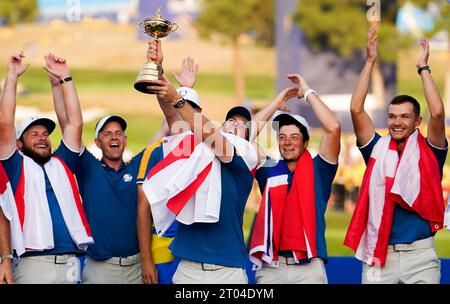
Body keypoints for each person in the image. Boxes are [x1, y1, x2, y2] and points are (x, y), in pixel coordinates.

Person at [344, 26, 447, 284]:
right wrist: (369, 61)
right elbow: (356, 109)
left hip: (420, 256)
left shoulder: (430, 150)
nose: (396, 122)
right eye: (391, 116)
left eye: (404, 117)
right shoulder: (376, 149)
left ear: (416, 121)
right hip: (379, 253)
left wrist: (423, 68)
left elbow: (437, 114)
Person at [148, 68, 264, 283]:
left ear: (248, 139)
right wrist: (157, 71)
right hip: (187, 269)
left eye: (242, 126)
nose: (235, 125)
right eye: (230, 121)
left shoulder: (242, 163)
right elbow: (174, 120)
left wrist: (178, 97)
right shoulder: (195, 151)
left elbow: (213, 137)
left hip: (227, 272)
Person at [0, 52, 93, 284]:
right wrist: (12, 76)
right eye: (34, 134)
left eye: (45, 134)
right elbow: (5, 124)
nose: (42, 138)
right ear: (19, 143)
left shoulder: (62, 161)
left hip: (72, 261)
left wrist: (65, 78)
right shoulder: (15, 165)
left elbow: (75, 124)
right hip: (34, 263)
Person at [249, 74, 341, 284]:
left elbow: (333, 127)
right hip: (272, 265)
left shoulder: (320, 169)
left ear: (306, 143)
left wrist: (307, 92)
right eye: (281, 137)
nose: (287, 143)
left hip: (309, 267)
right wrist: (276, 104)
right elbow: (244, 138)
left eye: (294, 137)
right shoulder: (269, 170)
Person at [137, 39, 202, 284]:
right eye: (177, 109)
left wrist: (184, 90)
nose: (181, 113)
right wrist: (158, 68)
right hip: (163, 247)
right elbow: (143, 208)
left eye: (188, 109)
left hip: (198, 249)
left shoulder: (207, 147)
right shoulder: (156, 151)